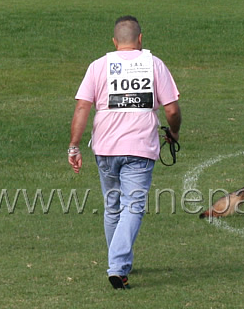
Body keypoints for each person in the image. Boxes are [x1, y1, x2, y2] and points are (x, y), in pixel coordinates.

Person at [68, 15, 181, 290]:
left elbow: (83, 107)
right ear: (140, 40)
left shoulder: (98, 66)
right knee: (134, 206)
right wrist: (174, 133)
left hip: (105, 148)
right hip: (140, 148)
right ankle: (117, 266)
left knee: (113, 206)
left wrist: (74, 145)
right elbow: (172, 110)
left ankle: (119, 262)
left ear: (115, 41)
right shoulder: (154, 64)